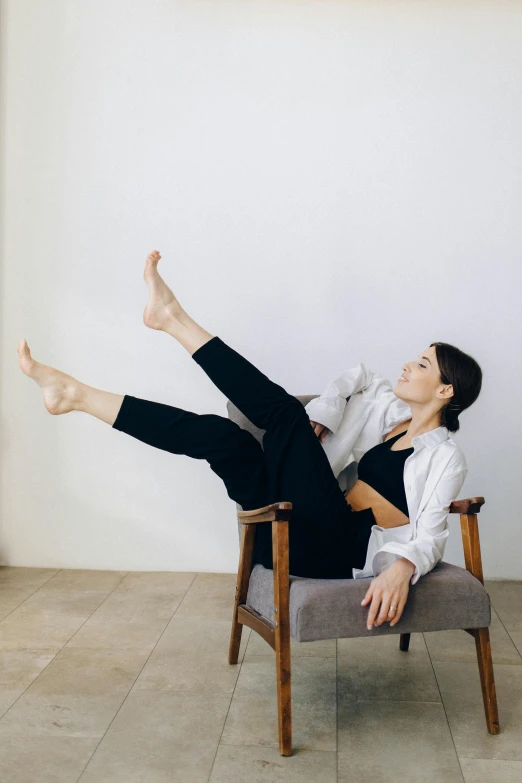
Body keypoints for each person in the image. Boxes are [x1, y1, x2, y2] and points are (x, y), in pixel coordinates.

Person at [16, 250, 482, 631]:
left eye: (422, 365)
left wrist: (402, 567)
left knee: (283, 414)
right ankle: (75, 396)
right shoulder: (391, 413)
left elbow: (431, 533)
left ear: (446, 391)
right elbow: (358, 376)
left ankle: (174, 318)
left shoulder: (445, 456)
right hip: (275, 533)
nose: (408, 365)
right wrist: (325, 410)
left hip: (338, 548)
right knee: (224, 438)